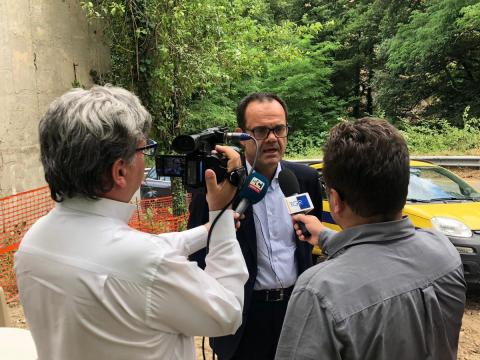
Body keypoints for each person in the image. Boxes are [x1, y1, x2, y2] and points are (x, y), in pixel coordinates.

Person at [14, 85, 249, 360]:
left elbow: (126, 254)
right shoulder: (144, 261)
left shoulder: (34, 240)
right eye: (144, 149)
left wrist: (206, 232)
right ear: (120, 171)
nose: (146, 159)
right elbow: (227, 313)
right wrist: (220, 215)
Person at [275, 118, 466, 360]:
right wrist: (325, 237)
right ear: (404, 189)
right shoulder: (444, 251)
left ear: (334, 199)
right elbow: (384, 258)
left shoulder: (319, 291)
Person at [188, 93, 323, 359]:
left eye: (279, 129)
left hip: (297, 310)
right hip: (244, 317)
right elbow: (197, 255)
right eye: (261, 130)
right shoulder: (219, 186)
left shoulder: (303, 180)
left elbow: (310, 244)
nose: (272, 138)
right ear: (241, 135)